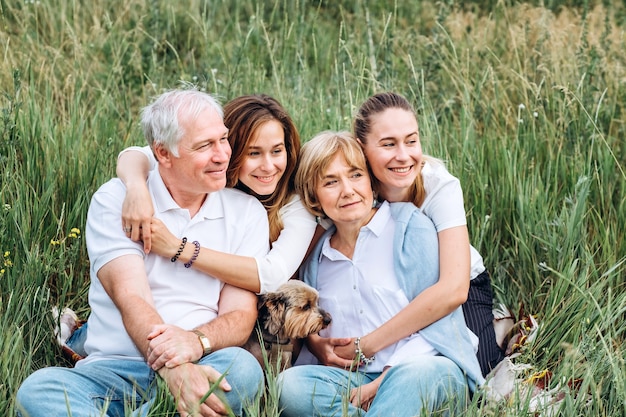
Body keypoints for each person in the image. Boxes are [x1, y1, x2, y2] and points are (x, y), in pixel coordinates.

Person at [16, 89, 268, 417]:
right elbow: (132, 298)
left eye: (223, 139)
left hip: (202, 362)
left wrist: (194, 344)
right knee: (37, 390)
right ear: (163, 153)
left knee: (243, 369)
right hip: (112, 371)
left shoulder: (246, 212)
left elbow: (240, 315)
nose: (222, 155)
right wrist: (171, 367)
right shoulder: (117, 199)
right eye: (205, 146)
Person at [278, 131, 484, 416]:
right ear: (314, 197)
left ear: (372, 183)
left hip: (423, 368)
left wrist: (381, 384)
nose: (347, 190)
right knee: (290, 386)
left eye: (355, 175)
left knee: (415, 377)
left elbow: (438, 323)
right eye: (331, 182)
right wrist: (318, 345)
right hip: (353, 379)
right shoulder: (317, 260)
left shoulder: (410, 229)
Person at [353, 91, 504, 376]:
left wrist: (368, 345)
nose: (403, 155)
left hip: (456, 288)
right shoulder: (353, 187)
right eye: (388, 144)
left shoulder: (438, 184)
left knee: (476, 369)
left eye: (411, 141)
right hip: (388, 288)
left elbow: (454, 288)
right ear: (362, 149)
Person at [117, 94, 317, 295]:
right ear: (232, 149)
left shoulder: (295, 205)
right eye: (254, 153)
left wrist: (178, 248)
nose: (268, 166)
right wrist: (136, 189)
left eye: (276, 151)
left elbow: (272, 275)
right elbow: (137, 153)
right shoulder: (209, 171)